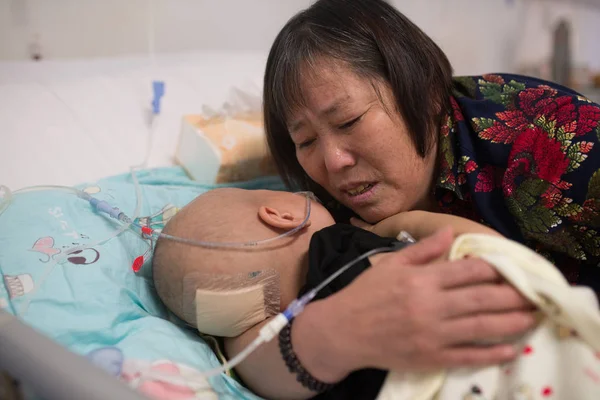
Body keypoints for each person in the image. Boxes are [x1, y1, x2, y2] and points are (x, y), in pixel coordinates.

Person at [261, 0, 600, 396]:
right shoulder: (315, 204)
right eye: (306, 141)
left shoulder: (549, 140)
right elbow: (254, 336)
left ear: (423, 91)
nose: (333, 162)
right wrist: (328, 335)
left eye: (349, 121)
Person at [151, 188, 600, 400]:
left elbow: (248, 344)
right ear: (279, 214)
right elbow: (471, 245)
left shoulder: (276, 362)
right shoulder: (336, 244)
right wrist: (404, 224)